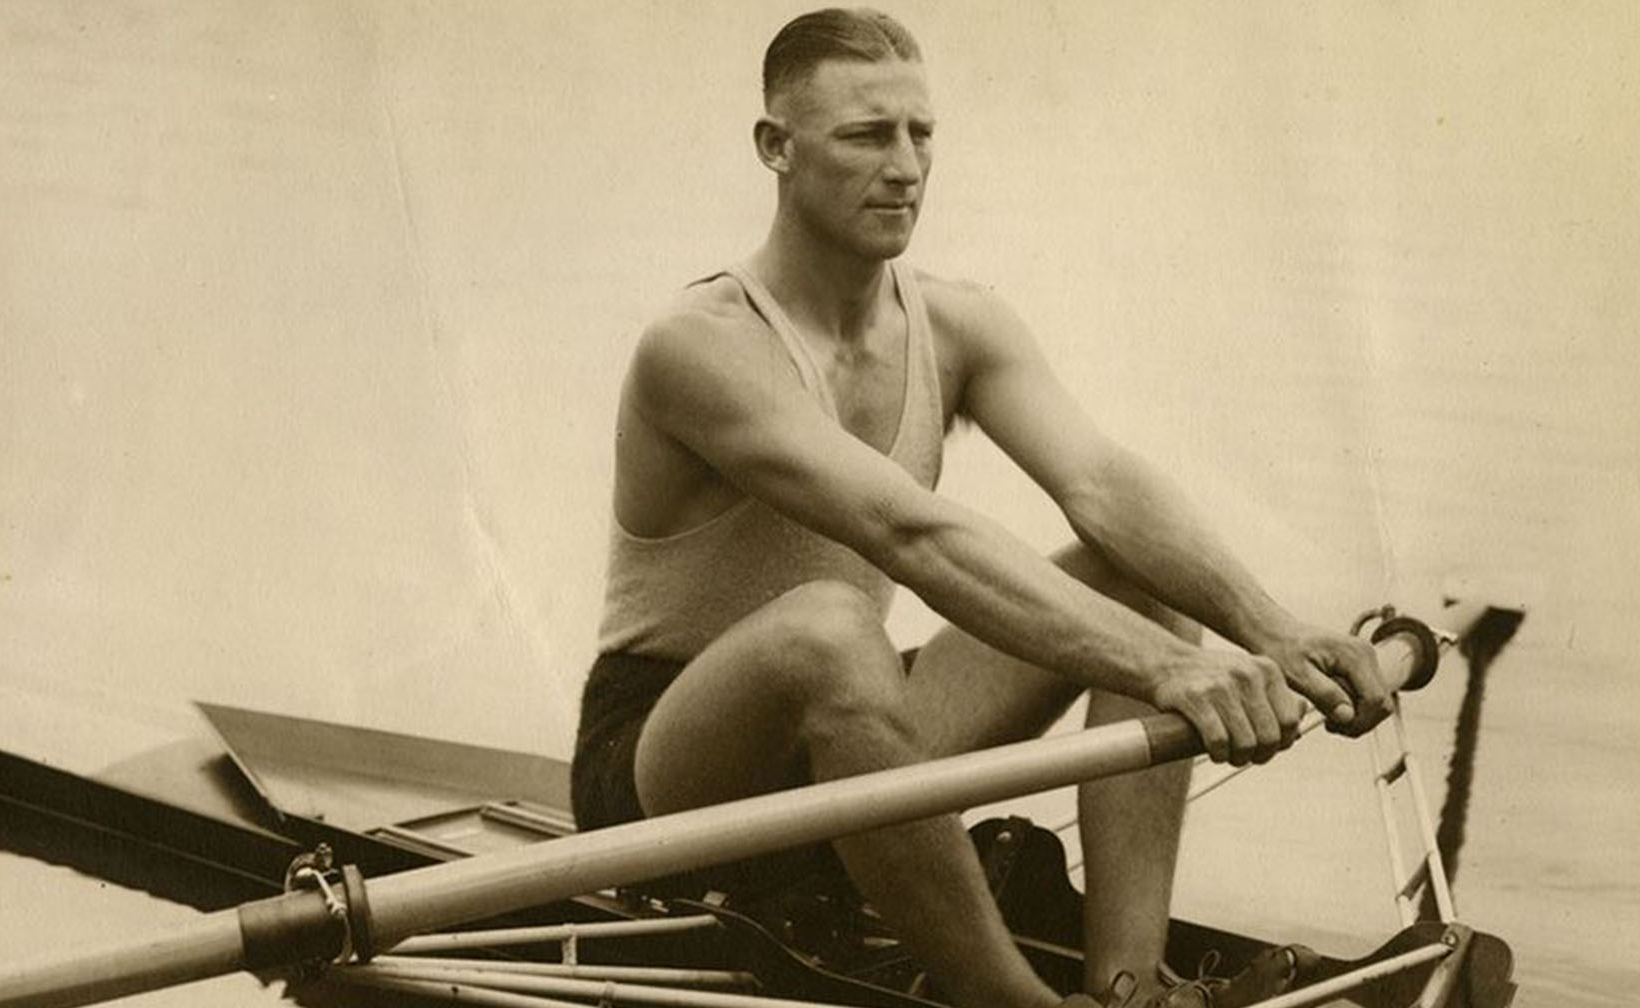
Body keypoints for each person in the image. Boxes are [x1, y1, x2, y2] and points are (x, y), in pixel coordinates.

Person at [570, 9, 1389, 1007]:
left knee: (1135, 577)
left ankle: (1131, 989)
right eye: (867, 135)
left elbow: (1101, 484)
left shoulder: (960, 324)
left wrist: (1272, 629)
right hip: (666, 770)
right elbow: (907, 534)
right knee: (831, 630)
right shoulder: (699, 347)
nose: (907, 166)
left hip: (850, 736)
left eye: (922, 134)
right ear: (774, 148)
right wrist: (1171, 670)